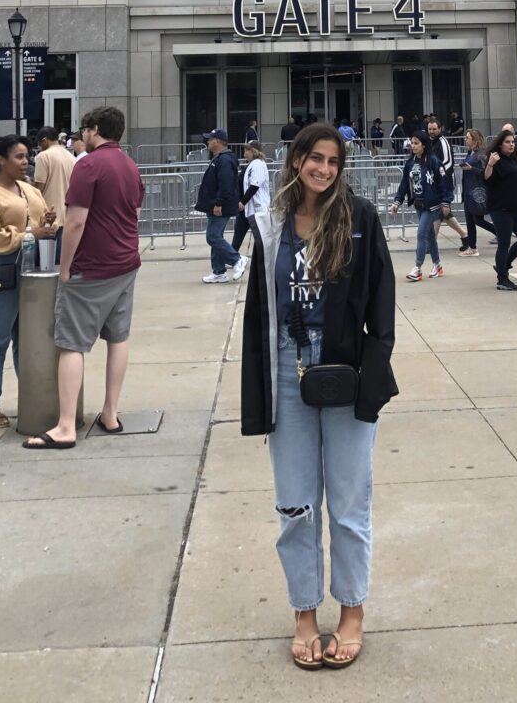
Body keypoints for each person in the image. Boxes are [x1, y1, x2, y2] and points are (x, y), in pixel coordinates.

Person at [242, 124, 395, 670]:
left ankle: (351, 611)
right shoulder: (273, 221)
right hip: (288, 370)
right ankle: (305, 613)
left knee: (350, 505)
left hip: (346, 372)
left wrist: (375, 376)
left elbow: (381, 304)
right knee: (296, 506)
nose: (324, 170)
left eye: (333, 161)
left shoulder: (360, 219)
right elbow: (260, 309)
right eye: (315, 158)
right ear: (297, 159)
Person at [24, 106, 146, 449]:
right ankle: (110, 413)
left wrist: (65, 267)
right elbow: (135, 212)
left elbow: (75, 221)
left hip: (92, 266)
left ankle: (65, 426)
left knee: (71, 344)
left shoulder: (88, 165)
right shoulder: (130, 165)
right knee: (118, 338)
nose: (81, 136)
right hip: (126, 263)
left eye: (84, 130)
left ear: (94, 129)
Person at [0, 135, 57, 428]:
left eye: (26, 156)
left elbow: (43, 218)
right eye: (18, 157)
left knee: (28, 338)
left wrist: (48, 222)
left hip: (30, 271)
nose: (25, 162)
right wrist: (32, 233)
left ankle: (32, 394)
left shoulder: (27, 189)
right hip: (0, 272)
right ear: (1, 160)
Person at [390, 131, 453, 281]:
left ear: (424, 145)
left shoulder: (433, 161)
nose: (413, 146)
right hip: (419, 204)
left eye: (416, 143)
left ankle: (417, 268)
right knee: (430, 235)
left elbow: (444, 183)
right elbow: (404, 185)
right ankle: (437, 265)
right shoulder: (410, 163)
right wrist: (396, 202)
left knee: (421, 234)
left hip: (433, 205)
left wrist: (446, 202)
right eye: (412, 143)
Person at [483, 128, 517, 291]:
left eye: (513, 142)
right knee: (504, 243)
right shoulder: (495, 159)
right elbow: (487, 179)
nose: (511, 145)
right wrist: (490, 164)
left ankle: (504, 266)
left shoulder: (514, 159)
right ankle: (502, 279)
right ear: (500, 144)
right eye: (507, 142)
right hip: (501, 209)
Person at [196, 128, 246, 284]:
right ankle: (219, 271)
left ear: (217, 141)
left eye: (210, 139)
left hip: (219, 206)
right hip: (215, 205)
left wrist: (218, 203)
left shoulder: (224, 160)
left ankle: (237, 259)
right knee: (216, 236)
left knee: (212, 236)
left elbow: (226, 185)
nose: (208, 142)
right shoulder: (220, 158)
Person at [33, 125, 76, 260]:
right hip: (67, 215)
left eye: (39, 144)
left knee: (45, 261)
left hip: (48, 217)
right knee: (60, 260)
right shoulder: (71, 157)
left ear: (45, 140)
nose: (39, 148)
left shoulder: (43, 157)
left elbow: (39, 187)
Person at [426, 117, 469, 250]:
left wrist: (435, 175)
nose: (432, 131)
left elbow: (448, 163)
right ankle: (464, 235)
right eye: (429, 129)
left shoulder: (443, 143)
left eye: (434, 129)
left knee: (438, 212)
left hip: (445, 183)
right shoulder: (430, 142)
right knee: (444, 213)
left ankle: (431, 244)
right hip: (435, 182)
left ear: (440, 129)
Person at [459, 128, 496, 256]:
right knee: (472, 220)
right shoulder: (471, 153)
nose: (465, 139)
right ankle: (472, 247)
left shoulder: (480, 155)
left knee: (476, 220)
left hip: (476, 191)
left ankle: (500, 233)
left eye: (467, 137)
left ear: (474, 140)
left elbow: (484, 173)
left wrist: (471, 169)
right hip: (469, 190)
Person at [232, 141, 271, 254]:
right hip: (247, 209)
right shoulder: (251, 164)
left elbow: (255, 185)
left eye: (247, 150)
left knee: (260, 238)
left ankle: (264, 259)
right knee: (238, 233)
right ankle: (231, 257)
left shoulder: (258, 164)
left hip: (256, 208)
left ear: (254, 151)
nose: (245, 153)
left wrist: (243, 202)